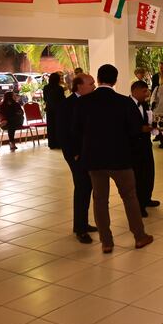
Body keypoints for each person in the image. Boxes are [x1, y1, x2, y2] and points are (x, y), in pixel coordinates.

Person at [73, 64, 153, 254]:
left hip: (94, 159)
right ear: (115, 80)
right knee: (130, 198)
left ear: (98, 79)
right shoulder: (124, 102)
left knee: (100, 200)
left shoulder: (83, 102)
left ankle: (106, 242)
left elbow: (76, 130)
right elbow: (135, 131)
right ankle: (139, 236)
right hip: (121, 159)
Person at [59, 73, 98, 243]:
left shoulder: (89, 102)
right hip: (76, 154)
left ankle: (82, 223)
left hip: (88, 152)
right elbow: (63, 133)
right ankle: (80, 229)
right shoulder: (67, 105)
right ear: (79, 86)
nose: (94, 86)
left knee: (88, 187)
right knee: (82, 187)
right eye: (91, 84)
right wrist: (74, 153)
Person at [130, 80, 158, 217]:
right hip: (134, 147)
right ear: (135, 91)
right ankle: (139, 205)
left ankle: (147, 198)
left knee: (149, 172)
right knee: (138, 176)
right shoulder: (127, 105)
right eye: (144, 91)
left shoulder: (145, 104)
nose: (147, 94)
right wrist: (140, 129)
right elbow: (125, 126)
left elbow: (147, 120)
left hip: (146, 144)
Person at [42, 72, 65, 149]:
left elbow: (45, 98)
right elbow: (62, 99)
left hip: (49, 109)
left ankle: (51, 144)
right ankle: (59, 143)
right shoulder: (59, 88)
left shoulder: (46, 87)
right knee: (58, 126)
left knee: (50, 126)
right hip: (59, 110)